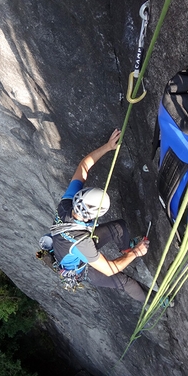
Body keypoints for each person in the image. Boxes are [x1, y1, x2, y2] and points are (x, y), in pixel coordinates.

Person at [51, 129, 149, 302]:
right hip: (82, 267)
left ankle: (124, 248)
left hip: (70, 247)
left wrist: (108, 147)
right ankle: (156, 303)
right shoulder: (82, 242)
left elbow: (83, 166)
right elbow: (110, 269)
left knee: (119, 227)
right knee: (126, 282)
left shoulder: (66, 205)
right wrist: (135, 253)